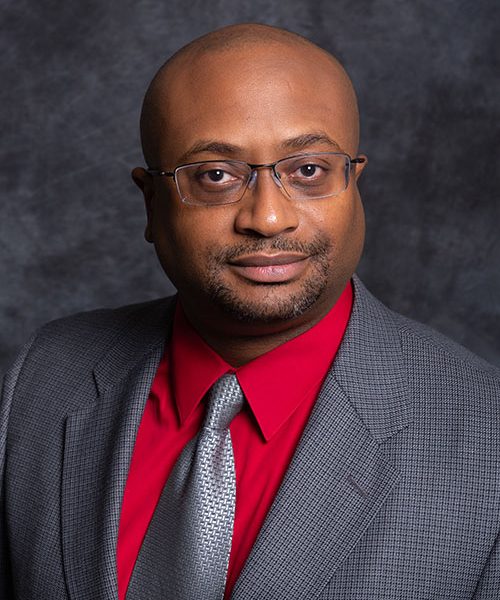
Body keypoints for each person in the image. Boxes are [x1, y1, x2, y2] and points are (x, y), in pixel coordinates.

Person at [1, 22, 499, 600]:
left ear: (353, 183)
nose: (267, 218)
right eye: (216, 175)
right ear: (152, 203)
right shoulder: (42, 379)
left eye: (308, 170)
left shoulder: (486, 442)